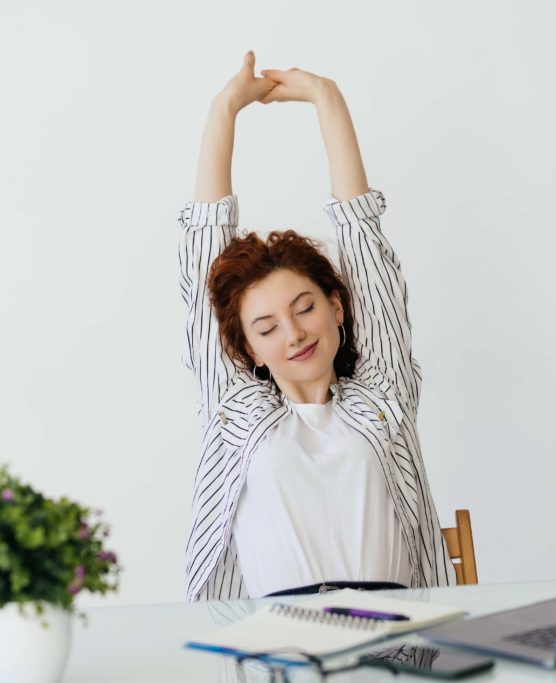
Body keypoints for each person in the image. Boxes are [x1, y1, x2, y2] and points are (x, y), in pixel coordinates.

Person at [179, 51, 456, 602]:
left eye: (305, 308)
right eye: (267, 327)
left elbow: (366, 247)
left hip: (394, 650)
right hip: (277, 654)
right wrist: (223, 110)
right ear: (248, 350)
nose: (294, 334)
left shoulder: (382, 396)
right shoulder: (236, 408)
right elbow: (202, 263)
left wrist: (327, 99)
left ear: (338, 307)